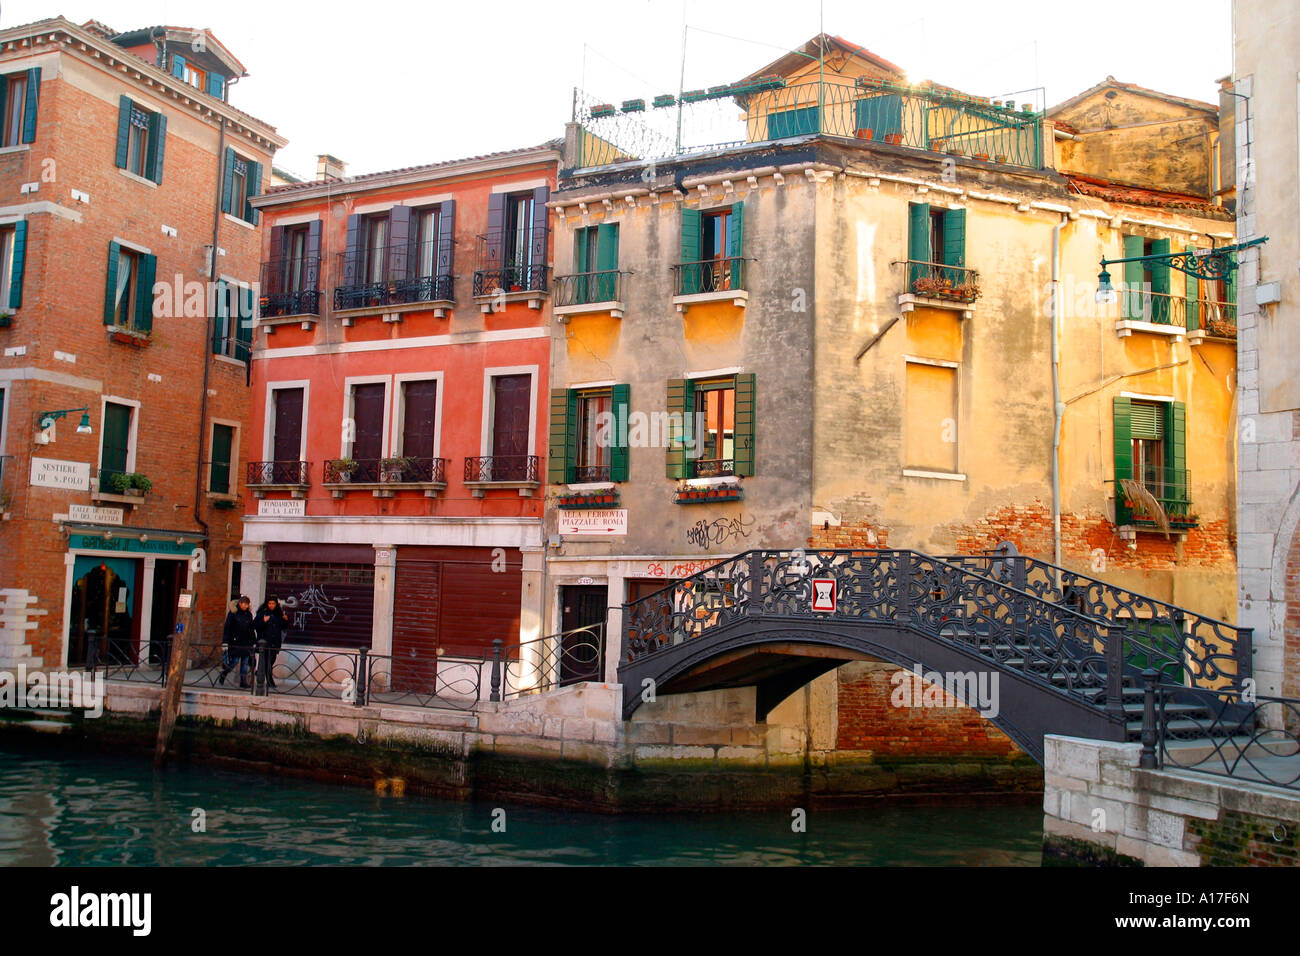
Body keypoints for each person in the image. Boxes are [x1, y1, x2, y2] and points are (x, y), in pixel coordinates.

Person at [253, 596, 291, 689]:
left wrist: (286, 620)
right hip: (265, 642)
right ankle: (269, 681)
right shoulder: (262, 613)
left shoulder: (279, 613)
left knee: (271, 661)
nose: (271, 605)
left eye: (273, 604)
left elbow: (283, 627)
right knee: (267, 661)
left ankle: (260, 672)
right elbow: (255, 625)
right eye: (269, 603)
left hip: (275, 642)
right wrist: (263, 621)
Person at [218, 596, 256, 687]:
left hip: (247, 642)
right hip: (235, 641)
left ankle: (243, 681)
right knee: (234, 661)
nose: (245, 606)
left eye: (247, 604)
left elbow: (251, 628)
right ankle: (224, 673)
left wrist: (254, 641)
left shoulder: (249, 615)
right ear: (240, 604)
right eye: (244, 604)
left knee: (245, 662)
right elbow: (227, 627)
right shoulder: (233, 613)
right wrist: (225, 642)